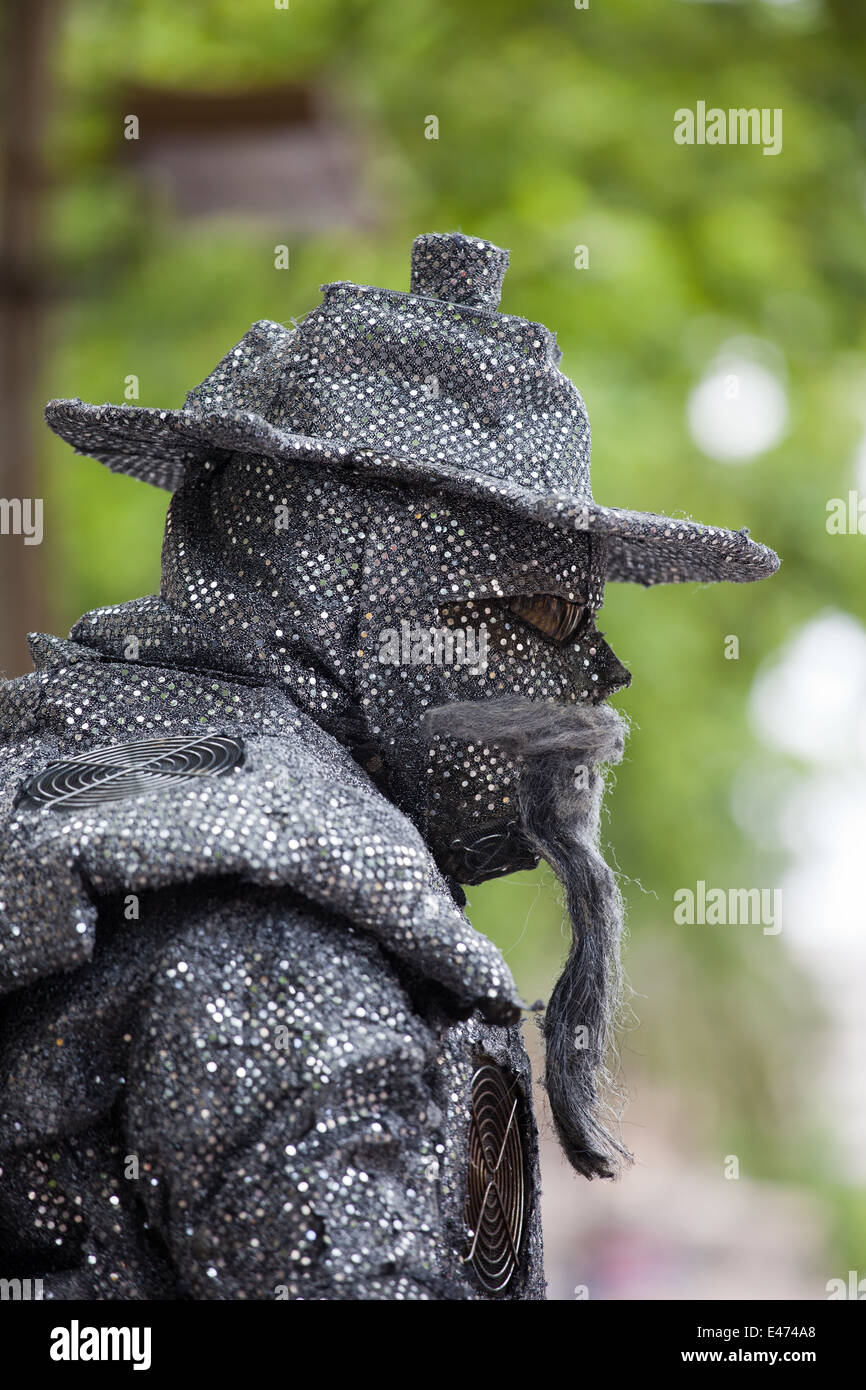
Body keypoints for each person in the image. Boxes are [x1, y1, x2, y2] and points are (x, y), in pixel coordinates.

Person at [0, 232, 778, 1299]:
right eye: (544, 611)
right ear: (355, 602)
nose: (601, 667)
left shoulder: (77, 783)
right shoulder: (278, 957)